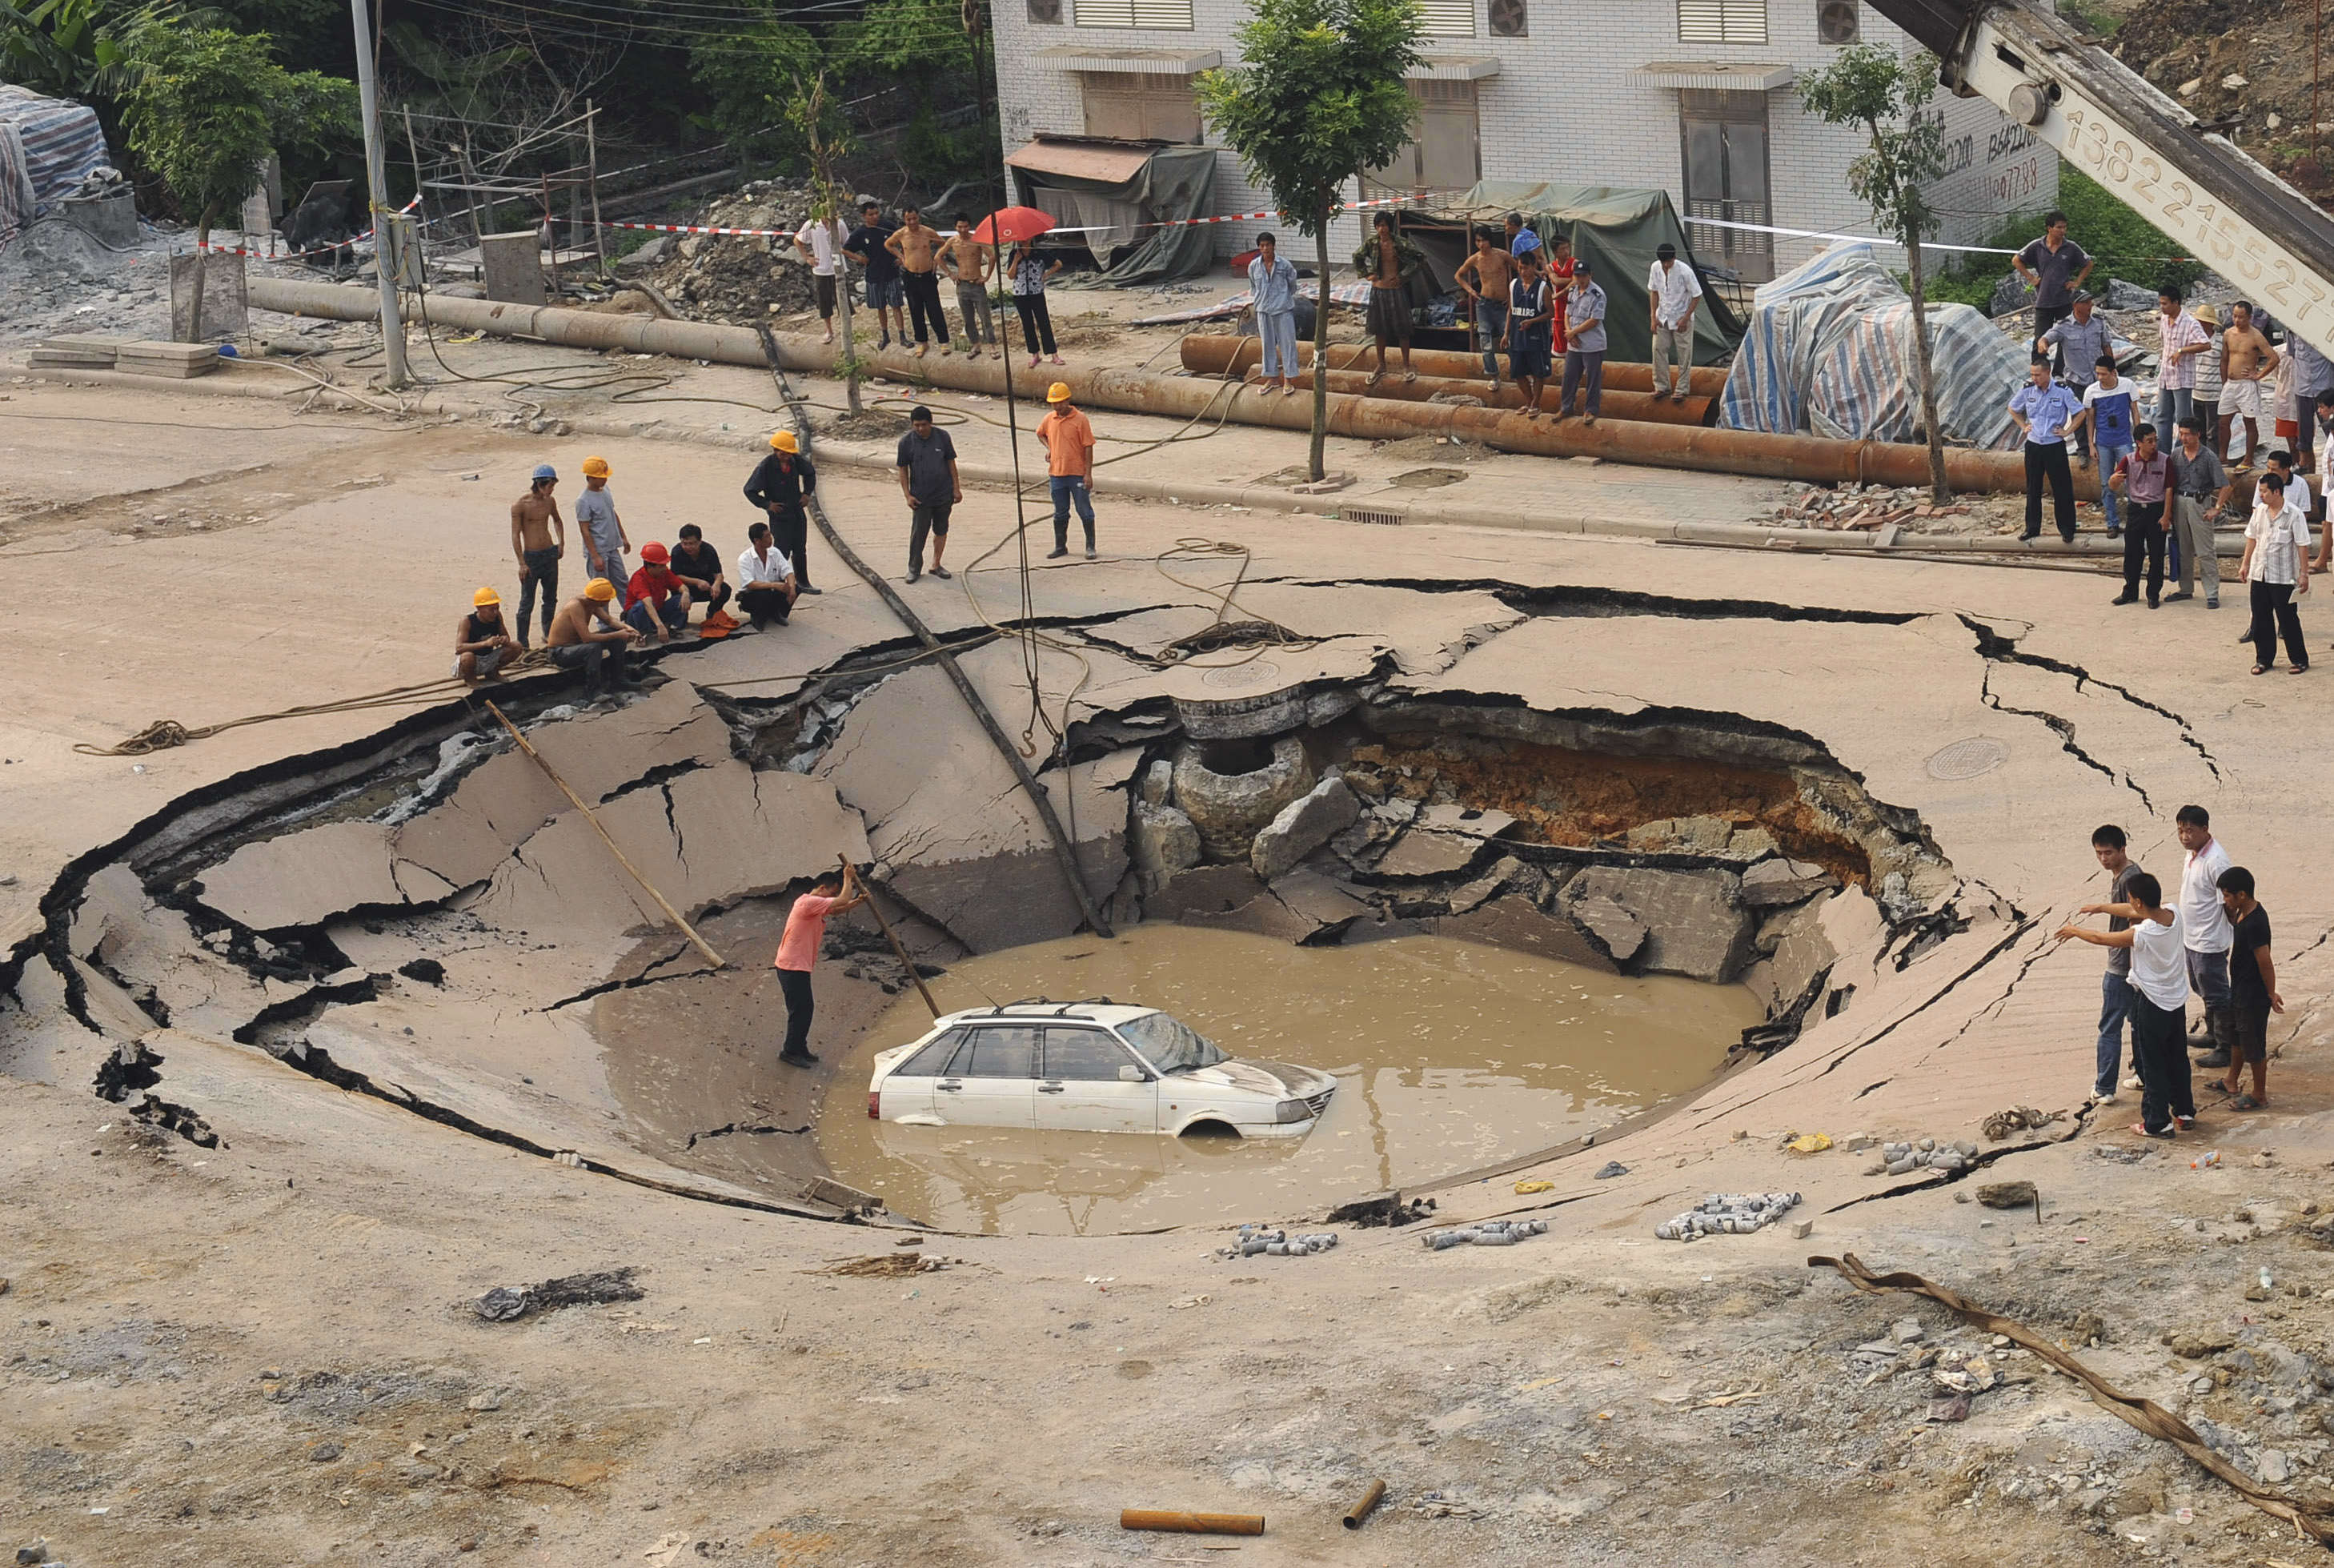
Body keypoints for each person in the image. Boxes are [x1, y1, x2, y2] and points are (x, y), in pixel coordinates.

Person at [2057, 868, 2192, 1138]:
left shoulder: (2143, 934)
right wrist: (2101, 907)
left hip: (2152, 1003)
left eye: (2132, 899)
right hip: (2176, 1000)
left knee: (2153, 1064)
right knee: (2178, 1057)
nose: (2131, 904)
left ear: (2139, 902)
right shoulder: (2173, 913)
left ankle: (2157, 1122)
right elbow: (2132, 912)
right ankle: (2184, 1111)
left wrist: (2075, 930)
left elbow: (2101, 938)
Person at [2071, 824, 2145, 1103]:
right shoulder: (2125, 875)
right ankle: (2142, 1074)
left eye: (2109, 853)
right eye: (2099, 853)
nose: (2104, 859)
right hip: (2135, 965)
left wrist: (2099, 912)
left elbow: (2136, 916)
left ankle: (2104, 1088)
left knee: (2110, 1027)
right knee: (2137, 1023)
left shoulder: (2129, 878)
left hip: (2122, 965)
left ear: (2123, 849)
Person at [772, 867, 869, 1068]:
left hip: (797, 965)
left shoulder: (813, 905)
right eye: (832, 893)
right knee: (800, 1010)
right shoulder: (808, 902)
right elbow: (840, 901)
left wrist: (857, 902)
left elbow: (836, 909)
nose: (833, 897)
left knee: (804, 1009)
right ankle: (790, 1051)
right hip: (792, 966)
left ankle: (799, 1047)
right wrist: (848, 877)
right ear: (822, 888)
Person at [2176, 804, 2236, 1071]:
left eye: (2190, 830)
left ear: (2205, 829)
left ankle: (2226, 1048)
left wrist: (2235, 932)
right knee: (2202, 988)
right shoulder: (2192, 855)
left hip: (2210, 940)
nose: (2185, 836)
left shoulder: (2216, 861)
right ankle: (2212, 1035)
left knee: (2218, 993)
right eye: (2180, 830)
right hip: (2192, 937)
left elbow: (2230, 900)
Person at [2216, 866, 2278, 1109]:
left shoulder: (2256, 923)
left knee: (2253, 1043)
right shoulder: (2242, 913)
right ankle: (2231, 1080)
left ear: (2242, 895)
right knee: (2237, 1037)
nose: (2225, 900)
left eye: (2228, 895)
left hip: (2252, 995)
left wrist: (2271, 993)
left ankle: (2259, 1094)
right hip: (2240, 989)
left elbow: (2265, 961)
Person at [2238, 466, 2312, 674]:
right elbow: (2251, 538)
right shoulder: (2260, 512)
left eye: (2264, 492)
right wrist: (2245, 564)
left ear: (2277, 492)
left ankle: (2299, 660)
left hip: (2284, 577)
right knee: (2261, 618)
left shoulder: (2294, 514)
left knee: (2288, 620)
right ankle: (2264, 659)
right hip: (2260, 573)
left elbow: (2302, 544)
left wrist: (2303, 574)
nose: (2260, 495)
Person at [2009, 355, 2082, 543]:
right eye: (2032, 374)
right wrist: (2023, 425)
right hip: (2034, 445)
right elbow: (2012, 408)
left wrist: (2067, 431)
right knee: (2033, 488)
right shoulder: (2027, 391)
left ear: (2048, 373)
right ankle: (2032, 528)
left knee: (2062, 488)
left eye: (2038, 375)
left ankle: (2067, 529)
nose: (2035, 378)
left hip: (2054, 445)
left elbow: (2080, 412)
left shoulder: (2062, 391)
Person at [743, 430, 820, 595]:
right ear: (775, 450)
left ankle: (803, 582)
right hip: (780, 515)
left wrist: (807, 493)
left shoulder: (795, 461)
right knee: (781, 550)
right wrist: (767, 504)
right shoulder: (766, 467)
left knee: (800, 547)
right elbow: (750, 490)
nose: (785, 456)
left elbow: (810, 473)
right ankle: (777, 584)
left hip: (796, 510)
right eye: (781, 452)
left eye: (788, 453)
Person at [2166, 416, 2230, 607]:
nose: (2183, 438)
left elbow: (2225, 486)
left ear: (2197, 435)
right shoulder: (2176, 455)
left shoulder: (2208, 457)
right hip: (2180, 502)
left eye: (2187, 434)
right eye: (2181, 434)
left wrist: (2216, 508)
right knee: (2183, 549)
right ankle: (2185, 588)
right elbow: (2169, 484)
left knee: (2205, 551)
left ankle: (2212, 593)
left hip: (2199, 502)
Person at [2041, 291, 2111, 463]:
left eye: (2090, 301)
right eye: (2086, 302)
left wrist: (2112, 369)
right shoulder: (2064, 326)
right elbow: (2045, 338)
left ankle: (2102, 448)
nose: (2090, 305)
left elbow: (2106, 346)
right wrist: (2042, 345)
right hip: (2076, 380)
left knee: (2103, 414)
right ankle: (2083, 451)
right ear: (2075, 306)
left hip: (2099, 380)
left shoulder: (2099, 323)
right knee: (2080, 415)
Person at [2015, 209, 2093, 362]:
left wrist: (2077, 282)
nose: (2062, 231)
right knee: (2040, 340)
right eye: (2059, 227)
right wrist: (2031, 278)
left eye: (2064, 227)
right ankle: (2038, 371)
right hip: (2044, 301)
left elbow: (2088, 263)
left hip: (2064, 300)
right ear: (2049, 228)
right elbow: (2016, 260)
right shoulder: (2037, 246)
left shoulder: (2070, 247)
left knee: (2067, 338)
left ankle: (2060, 373)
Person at [1353, 212, 1422, 384]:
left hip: (1396, 290)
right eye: (1379, 226)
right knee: (1379, 330)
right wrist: (1367, 274)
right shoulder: (1371, 243)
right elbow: (1357, 257)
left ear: (1389, 226)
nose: (1382, 229)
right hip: (1378, 291)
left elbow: (1419, 258)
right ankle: (1381, 364)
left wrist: (1403, 275)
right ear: (1376, 227)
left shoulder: (1399, 243)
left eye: (1385, 225)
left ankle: (1406, 366)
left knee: (1403, 330)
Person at [896, 403, 960, 583]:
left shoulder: (943, 437)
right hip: (921, 498)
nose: (921, 429)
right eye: (916, 425)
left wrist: (956, 488)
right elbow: (903, 470)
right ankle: (914, 569)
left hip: (943, 495)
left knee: (941, 530)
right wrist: (907, 495)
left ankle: (936, 564)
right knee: (918, 534)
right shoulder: (906, 443)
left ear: (931, 423)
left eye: (924, 425)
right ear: (912, 425)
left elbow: (951, 464)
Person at [2108, 422, 2170, 607]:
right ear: (2138, 443)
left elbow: (2169, 489)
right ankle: (2130, 592)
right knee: (2132, 553)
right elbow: (2114, 485)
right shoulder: (2128, 460)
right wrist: (2112, 480)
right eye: (2149, 441)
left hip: (2156, 510)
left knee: (2157, 555)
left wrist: (2166, 516)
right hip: (2136, 510)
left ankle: (2153, 595)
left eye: (2155, 440)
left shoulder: (2164, 460)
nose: (2153, 445)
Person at [2077, 351, 2137, 537]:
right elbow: (2090, 419)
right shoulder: (2092, 391)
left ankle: (2134, 521)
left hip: (2124, 441)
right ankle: (2112, 522)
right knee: (2106, 484)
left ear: (2114, 373)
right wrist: (2091, 444)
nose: (2100, 377)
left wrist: (2139, 438)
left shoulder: (2128, 386)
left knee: (2131, 482)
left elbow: (2135, 411)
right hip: (2103, 442)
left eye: (2104, 373)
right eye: (2098, 374)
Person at [546, 578, 639, 693]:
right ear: (600, 600)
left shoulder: (592, 603)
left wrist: (627, 628)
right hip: (559, 652)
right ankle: (593, 691)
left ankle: (618, 680)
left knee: (617, 638)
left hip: (576, 645)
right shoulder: (576, 606)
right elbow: (587, 638)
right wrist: (617, 634)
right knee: (593, 648)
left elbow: (609, 620)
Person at [1037, 382, 1098, 560]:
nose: (1057, 407)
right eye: (1054, 403)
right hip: (1057, 473)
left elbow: (1088, 446)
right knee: (1060, 512)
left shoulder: (1081, 420)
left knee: (1084, 510)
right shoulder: (1049, 419)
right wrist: (1050, 449)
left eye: (1060, 403)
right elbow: (1040, 433)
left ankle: (1090, 546)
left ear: (1068, 400)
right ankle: (1060, 546)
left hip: (1077, 473)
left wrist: (1088, 473)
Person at [509, 463, 566, 651]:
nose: (552, 490)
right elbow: (516, 534)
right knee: (527, 602)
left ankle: (548, 631)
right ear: (540, 484)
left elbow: (557, 520)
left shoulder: (550, 502)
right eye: (550, 486)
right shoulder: (520, 506)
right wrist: (521, 563)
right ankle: (522, 642)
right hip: (532, 556)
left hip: (549, 552)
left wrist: (561, 542)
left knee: (550, 597)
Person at [2216, 301, 2279, 466]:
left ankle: (2248, 459)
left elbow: (2274, 358)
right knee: (2223, 422)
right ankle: (2222, 457)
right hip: (2231, 383)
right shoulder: (2228, 334)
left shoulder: (2256, 336)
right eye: (2235, 316)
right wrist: (2224, 382)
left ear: (2249, 318)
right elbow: (2224, 359)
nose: (2237, 320)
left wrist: (2258, 375)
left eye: (2241, 317)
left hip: (2247, 385)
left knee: (2249, 421)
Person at [884, 205, 950, 357]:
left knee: (934, 310)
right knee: (916, 310)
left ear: (918, 217)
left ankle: (943, 342)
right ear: (904, 219)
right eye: (909, 219)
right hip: (910, 276)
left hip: (927, 275)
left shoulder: (927, 231)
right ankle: (922, 342)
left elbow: (943, 244)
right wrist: (900, 256)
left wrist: (936, 259)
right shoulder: (901, 234)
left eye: (914, 218)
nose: (912, 222)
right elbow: (888, 244)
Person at [1454, 227, 1516, 388]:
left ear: (1490, 240)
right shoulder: (1475, 259)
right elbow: (1458, 275)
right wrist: (1469, 290)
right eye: (1478, 241)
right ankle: (1494, 376)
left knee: (1508, 339)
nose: (1481, 244)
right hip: (1484, 304)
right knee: (1485, 342)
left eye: (1484, 240)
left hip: (1502, 304)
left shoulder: (1502, 255)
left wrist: (1512, 295)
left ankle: (1520, 371)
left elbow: (1520, 270)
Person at [842, 199, 904, 350]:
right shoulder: (860, 233)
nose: (875, 217)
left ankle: (903, 335)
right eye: (871, 214)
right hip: (874, 275)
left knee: (896, 305)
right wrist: (859, 258)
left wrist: (902, 257)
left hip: (892, 272)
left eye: (877, 213)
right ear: (864, 216)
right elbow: (845, 249)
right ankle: (885, 335)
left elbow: (904, 238)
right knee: (880, 306)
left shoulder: (887, 226)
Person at [1646, 243, 1703, 404]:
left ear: (1674, 258)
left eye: (1668, 262)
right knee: (1658, 349)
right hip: (1662, 315)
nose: (1666, 265)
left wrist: (1685, 318)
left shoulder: (1685, 271)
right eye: (1663, 262)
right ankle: (1661, 386)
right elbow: (1654, 292)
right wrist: (1653, 316)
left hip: (1681, 317)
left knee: (1684, 354)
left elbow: (1697, 295)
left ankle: (1682, 389)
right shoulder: (1655, 268)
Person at [1247, 231, 1302, 396]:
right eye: (1262, 246)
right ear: (1259, 248)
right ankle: (1272, 378)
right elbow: (1254, 287)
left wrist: (1282, 299)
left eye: (1268, 245)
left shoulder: (1284, 265)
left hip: (1283, 310)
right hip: (1263, 310)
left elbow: (1292, 285)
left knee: (1288, 344)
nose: (1265, 249)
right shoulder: (1253, 266)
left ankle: (1289, 380)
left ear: (1273, 246)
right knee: (1267, 345)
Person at [574, 455, 629, 609]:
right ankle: (604, 624)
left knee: (623, 582)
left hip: (612, 547)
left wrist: (623, 537)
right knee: (601, 590)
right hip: (599, 551)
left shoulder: (606, 491)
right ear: (590, 477)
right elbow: (585, 530)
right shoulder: (583, 501)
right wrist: (595, 556)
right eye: (601, 477)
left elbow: (612, 514)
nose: (604, 480)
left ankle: (631, 615)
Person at [1557, 259, 1608, 423]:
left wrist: (1573, 332)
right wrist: (1569, 333)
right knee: (1569, 376)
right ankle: (1566, 408)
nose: (1580, 279)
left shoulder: (1597, 294)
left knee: (1593, 379)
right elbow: (1567, 313)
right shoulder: (1573, 291)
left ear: (1590, 275)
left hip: (1592, 344)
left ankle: (1591, 410)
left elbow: (1594, 320)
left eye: (1583, 276)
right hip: (1574, 344)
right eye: (1577, 276)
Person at [2156, 287, 2211, 435]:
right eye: (2160, 303)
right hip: (2166, 374)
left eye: (2165, 304)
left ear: (2176, 303)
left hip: (2182, 376)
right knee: (2162, 416)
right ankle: (2163, 454)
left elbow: (2205, 344)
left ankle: (2181, 454)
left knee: (2183, 418)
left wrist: (2182, 351)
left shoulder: (2190, 323)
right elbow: (2164, 342)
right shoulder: (2164, 319)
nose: (2162, 307)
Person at [1507, 251, 1554, 419]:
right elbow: (1510, 310)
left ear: (1534, 267)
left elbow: (1551, 312)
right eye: (1520, 268)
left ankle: (1536, 403)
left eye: (1526, 268)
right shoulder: (1514, 285)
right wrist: (1506, 334)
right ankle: (1528, 400)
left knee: (1538, 373)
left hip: (1536, 337)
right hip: (1517, 337)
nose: (1522, 272)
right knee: (1517, 372)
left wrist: (1533, 321)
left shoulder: (1543, 288)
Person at [943, 214, 996, 359]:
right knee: (968, 318)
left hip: (976, 284)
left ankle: (991, 345)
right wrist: (950, 274)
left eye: (965, 226)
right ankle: (976, 345)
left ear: (970, 226)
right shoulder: (953, 241)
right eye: (960, 227)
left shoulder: (976, 239)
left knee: (985, 317)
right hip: (962, 284)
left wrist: (987, 276)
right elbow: (938, 257)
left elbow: (992, 256)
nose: (963, 230)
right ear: (955, 227)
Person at [792, 204, 844, 344]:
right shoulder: (811, 224)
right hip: (821, 269)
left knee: (842, 300)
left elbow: (846, 242)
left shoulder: (840, 224)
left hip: (838, 268)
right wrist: (807, 258)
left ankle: (845, 330)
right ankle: (829, 330)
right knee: (824, 301)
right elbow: (797, 240)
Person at [1008, 239, 1063, 368]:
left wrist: (1046, 274)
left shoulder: (1039, 253)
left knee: (1044, 323)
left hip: (1037, 293)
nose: (1024, 240)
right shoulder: (1014, 253)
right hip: (1020, 294)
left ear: (1032, 237)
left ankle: (1054, 354)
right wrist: (1016, 260)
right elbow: (1010, 275)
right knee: (1027, 325)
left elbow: (1058, 264)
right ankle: (1035, 354)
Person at [624, 543, 691, 644]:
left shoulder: (664, 573)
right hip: (637, 617)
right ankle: (642, 633)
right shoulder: (639, 578)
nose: (665, 568)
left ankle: (668, 627)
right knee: (640, 606)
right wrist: (660, 625)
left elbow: (681, 586)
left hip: (657, 611)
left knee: (683, 598)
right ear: (650, 567)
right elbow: (647, 604)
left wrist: (686, 593)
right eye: (661, 566)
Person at [736, 520, 797, 628]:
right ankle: (757, 616)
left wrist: (792, 588)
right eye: (767, 536)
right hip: (754, 595)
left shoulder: (775, 552)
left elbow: (788, 571)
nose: (771, 538)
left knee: (795, 588)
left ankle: (777, 613)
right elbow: (749, 583)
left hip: (772, 591)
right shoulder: (745, 559)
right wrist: (774, 585)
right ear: (757, 541)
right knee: (764, 594)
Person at [2288, 331, 2334, 472]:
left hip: (2325, 388)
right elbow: (2293, 354)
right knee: (2304, 432)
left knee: (2331, 427)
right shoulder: (2292, 332)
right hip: (2303, 388)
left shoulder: (2327, 329)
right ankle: (2305, 466)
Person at [455, 586, 520, 685]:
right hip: (473, 660)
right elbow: (459, 648)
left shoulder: (497, 616)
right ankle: (470, 678)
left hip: (489, 657)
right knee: (467, 657)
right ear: (479, 608)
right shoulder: (467, 621)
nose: (495, 612)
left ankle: (492, 672)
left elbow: (506, 636)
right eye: (491, 609)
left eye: (497, 608)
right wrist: (485, 643)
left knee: (516, 646)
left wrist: (504, 639)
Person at [668, 523, 732, 621]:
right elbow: (676, 575)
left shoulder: (709, 550)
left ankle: (713, 612)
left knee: (725, 590)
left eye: (692, 544)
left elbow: (718, 573)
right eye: (685, 543)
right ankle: (681, 616)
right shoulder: (677, 552)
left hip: (707, 586)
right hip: (685, 587)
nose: (688, 547)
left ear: (700, 542)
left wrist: (716, 585)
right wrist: (697, 582)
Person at [1546, 235, 1577, 360]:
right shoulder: (1550, 267)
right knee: (1560, 349)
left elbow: (1575, 283)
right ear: (1555, 252)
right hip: (1559, 312)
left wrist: (1560, 293)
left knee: (1575, 344)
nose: (1567, 252)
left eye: (1568, 248)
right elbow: (1556, 281)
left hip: (1574, 310)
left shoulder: (1575, 263)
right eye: (1563, 249)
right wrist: (1574, 279)